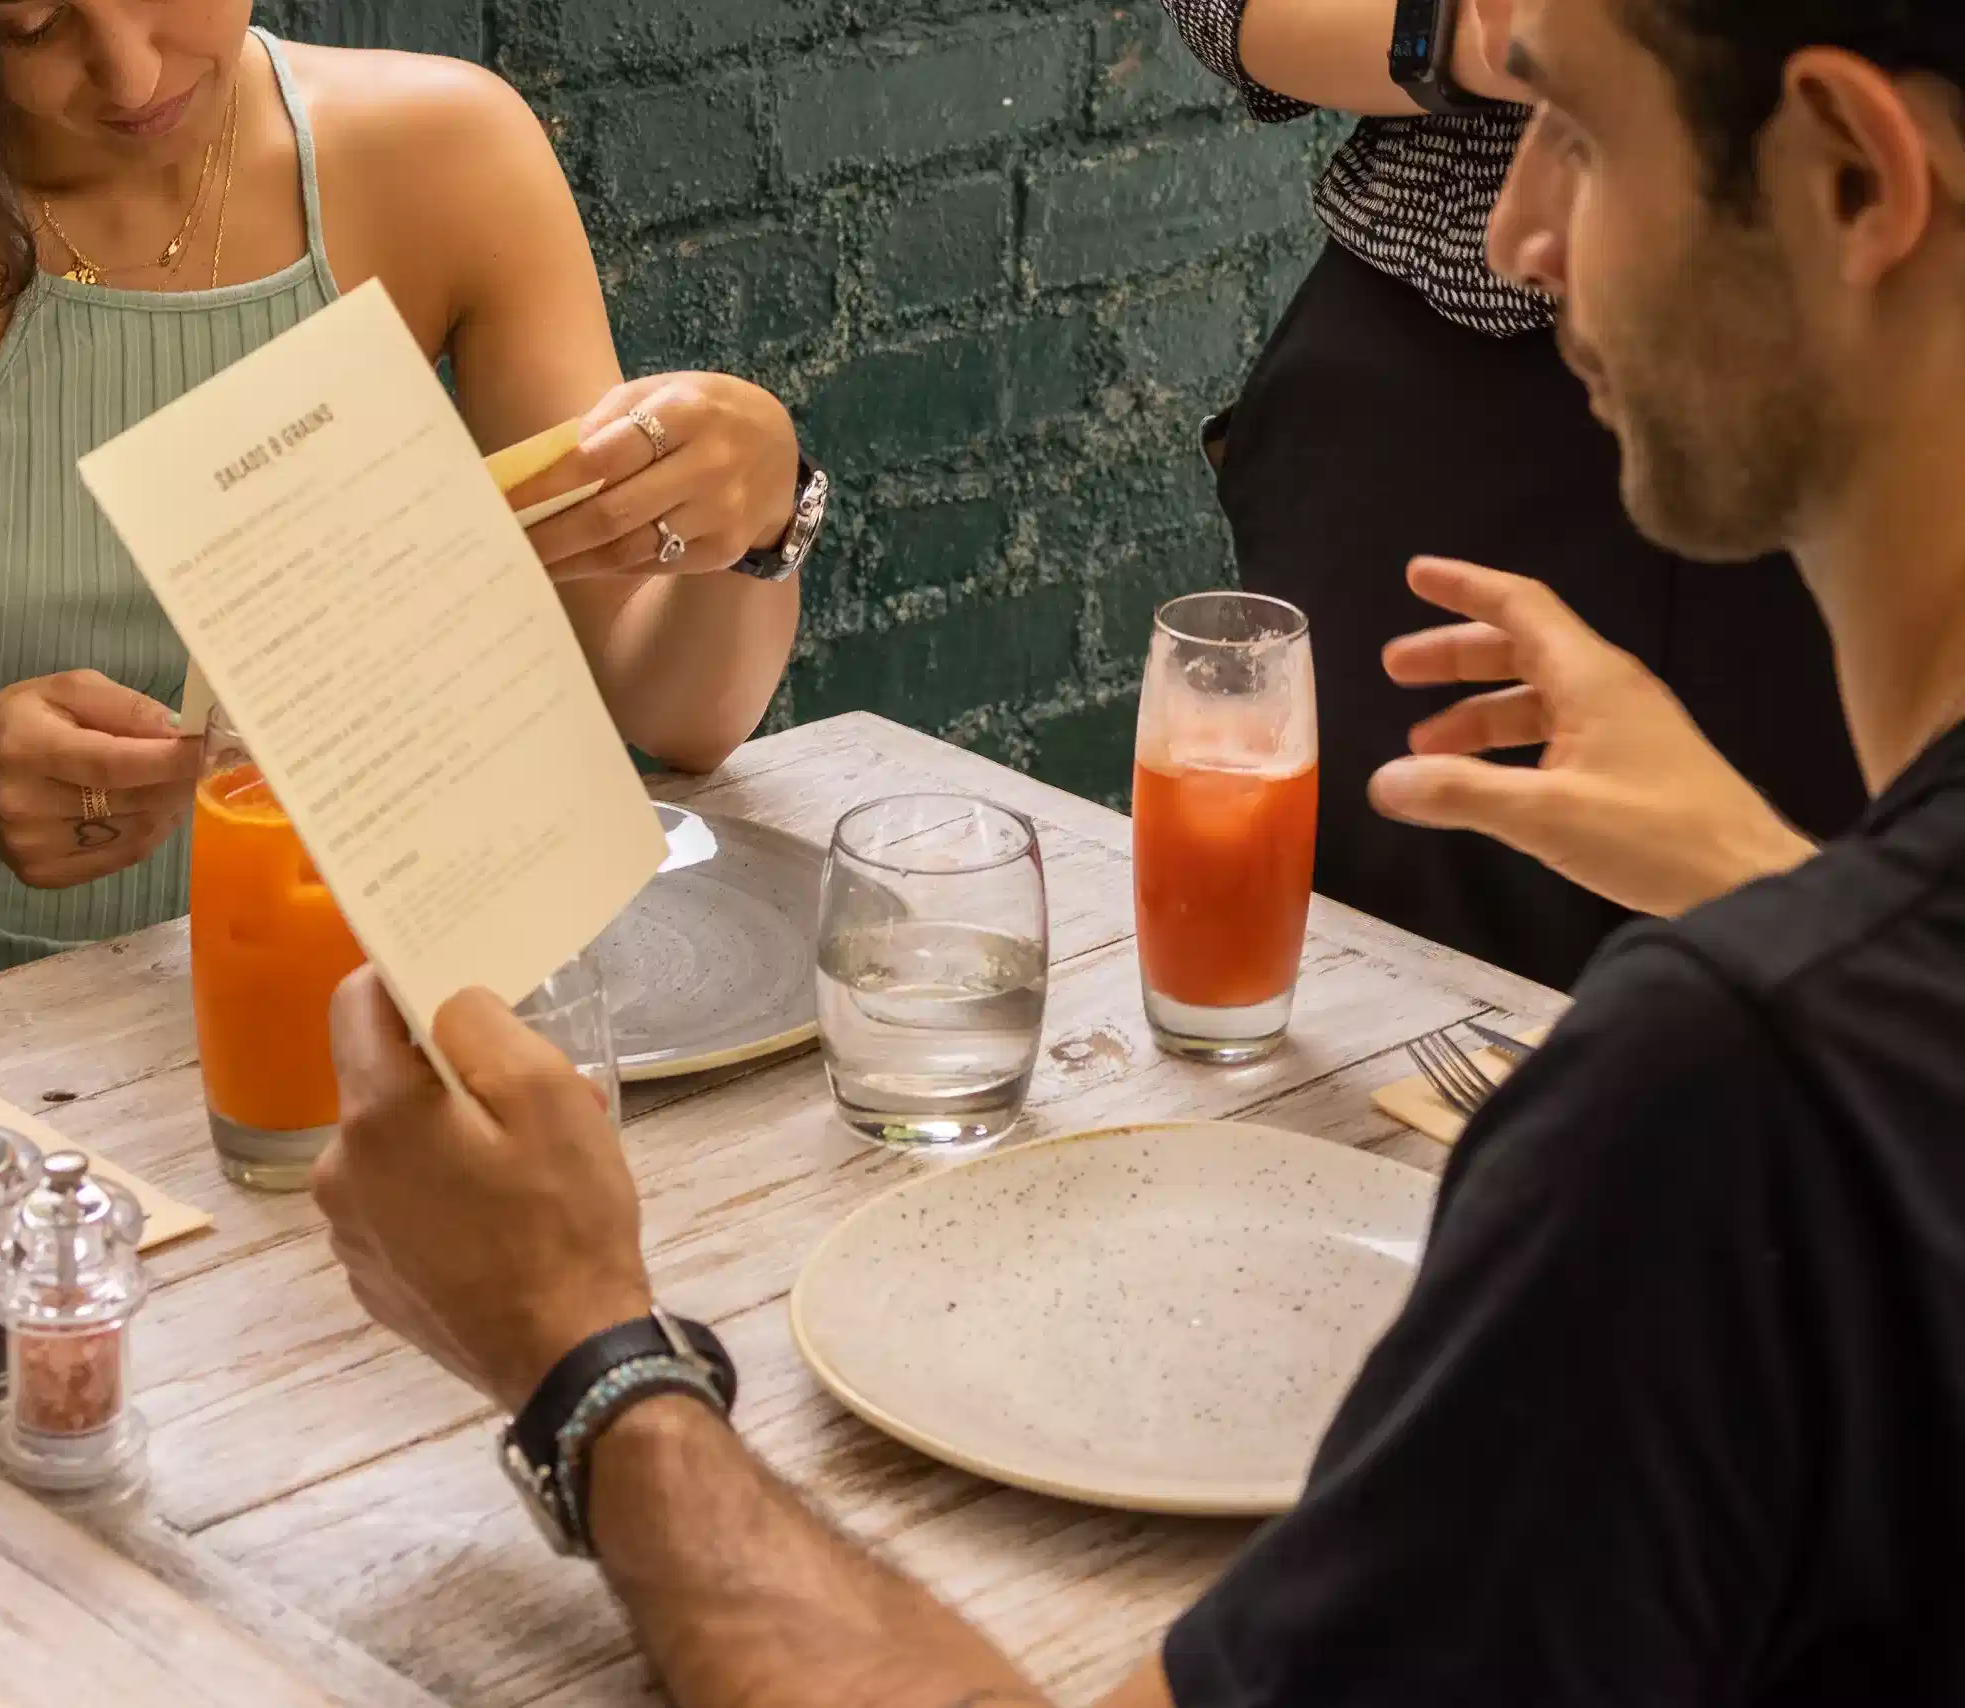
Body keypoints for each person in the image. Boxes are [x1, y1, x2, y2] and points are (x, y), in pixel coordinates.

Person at [312, 0, 1965, 1701]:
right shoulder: (1814, 1028)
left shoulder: (1716, 1098)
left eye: (1581, 133)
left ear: (1852, 177)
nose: (1513, 233)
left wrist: (585, 1356)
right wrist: (1770, 883)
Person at [0, 1, 815, 1034]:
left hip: (355, 1035)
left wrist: (755, 517)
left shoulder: (443, 159)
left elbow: (673, 716)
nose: (131, 65)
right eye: (31, 28)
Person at [1158, 0, 1865, 991]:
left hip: (1851, 387)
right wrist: (1462, 37)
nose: (1523, 232)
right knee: (1374, 982)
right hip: (1439, 384)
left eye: (1583, 127)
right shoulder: (1504, 255)